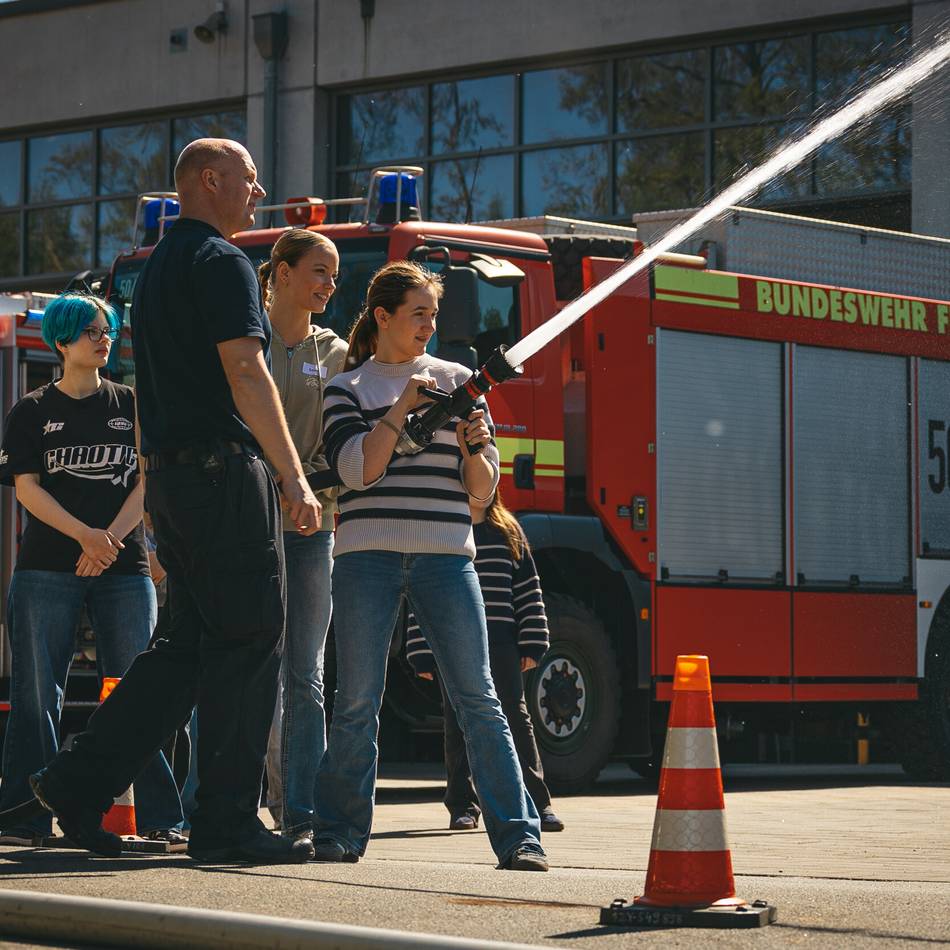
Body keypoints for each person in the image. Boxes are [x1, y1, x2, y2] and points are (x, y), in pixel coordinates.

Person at [26, 138, 321, 864]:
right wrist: (294, 475)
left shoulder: (156, 269)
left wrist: (159, 489)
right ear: (210, 180)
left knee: (185, 649)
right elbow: (246, 372)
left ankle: (74, 783)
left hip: (176, 482)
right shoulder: (222, 261)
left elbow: (154, 388)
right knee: (249, 638)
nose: (259, 193)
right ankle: (226, 823)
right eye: (250, 179)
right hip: (222, 476)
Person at [312, 260, 548, 871]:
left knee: (480, 698)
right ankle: (338, 833)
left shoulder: (461, 381)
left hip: (447, 556)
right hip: (365, 556)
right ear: (382, 316)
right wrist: (402, 408)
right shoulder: (346, 387)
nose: (429, 325)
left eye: (434, 314)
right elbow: (356, 471)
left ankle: (520, 838)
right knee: (356, 700)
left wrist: (474, 451)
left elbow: (482, 494)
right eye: (418, 313)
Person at [0, 294, 183, 846]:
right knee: (37, 696)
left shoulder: (132, 404)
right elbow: (27, 490)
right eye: (91, 332)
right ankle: (24, 820)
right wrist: (85, 536)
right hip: (46, 568)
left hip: (124, 568)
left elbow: (146, 480)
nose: (104, 340)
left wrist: (109, 541)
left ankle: (162, 818)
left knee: (142, 690)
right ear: (62, 340)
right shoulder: (31, 410)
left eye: (108, 331)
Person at [256, 229, 348, 839]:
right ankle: (214, 805)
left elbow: (345, 438)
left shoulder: (336, 352)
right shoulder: (245, 341)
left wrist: (307, 488)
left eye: (334, 276)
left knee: (305, 671)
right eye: (320, 271)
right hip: (248, 524)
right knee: (243, 662)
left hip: (316, 525)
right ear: (282, 274)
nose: (330, 285)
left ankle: (300, 810)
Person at [407, 489, 564, 834]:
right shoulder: (446, 530)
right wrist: (421, 651)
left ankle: (539, 803)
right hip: (454, 643)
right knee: (457, 722)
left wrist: (533, 641)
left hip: (502, 643)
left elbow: (528, 589)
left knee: (516, 718)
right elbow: (423, 593)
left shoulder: (509, 531)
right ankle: (463, 805)